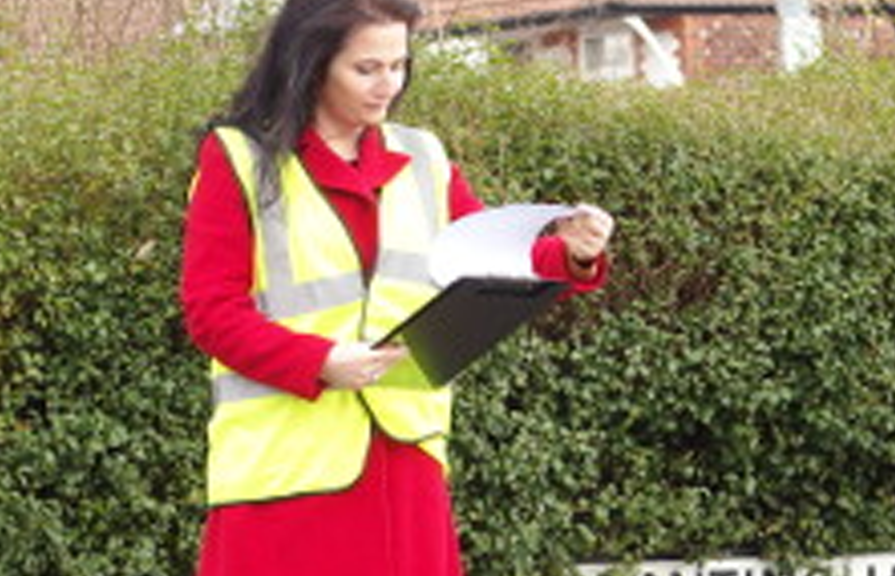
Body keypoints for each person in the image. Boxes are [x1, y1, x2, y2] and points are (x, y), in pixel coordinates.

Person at [179, 0, 615, 574]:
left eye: (399, 65)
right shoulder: (238, 158)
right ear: (312, 64)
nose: (389, 84)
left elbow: (486, 261)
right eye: (367, 68)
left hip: (404, 465)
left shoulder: (423, 157)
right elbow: (211, 311)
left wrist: (573, 254)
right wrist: (319, 361)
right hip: (284, 471)